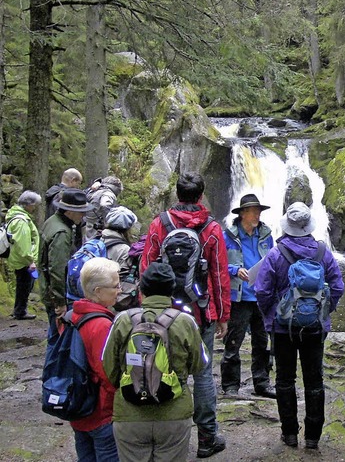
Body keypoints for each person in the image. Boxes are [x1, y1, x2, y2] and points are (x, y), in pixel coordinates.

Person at [140, 172, 230, 458]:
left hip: (163, 311)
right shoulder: (212, 228)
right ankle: (206, 437)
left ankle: (166, 436)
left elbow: (146, 265)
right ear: (201, 195)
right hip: (200, 311)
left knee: (162, 368)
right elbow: (218, 274)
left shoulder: (159, 224)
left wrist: (146, 305)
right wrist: (223, 313)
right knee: (202, 374)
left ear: (177, 195)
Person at [255, 202, 345, 450]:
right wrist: (323, 312)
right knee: (314, 381)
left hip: (283, 328)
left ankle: (290, 434)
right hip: (315, 327)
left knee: (285, 379)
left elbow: (262, 290)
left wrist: (271, 315)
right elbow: (337, 287)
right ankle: (313, 437)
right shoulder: (323, 253)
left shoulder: (276, 253)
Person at [102, 262, 209, 462]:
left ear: (141, 289)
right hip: (174, 413)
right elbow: (200, 364)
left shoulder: (122, 320)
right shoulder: (185, 322)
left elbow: (109, 366)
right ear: (172, 290)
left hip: (129, 413)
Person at [221, 194, 276, 398]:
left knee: (262, 342)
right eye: (254, 211)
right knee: (233, 342)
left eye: (259, 211)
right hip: (239, 297)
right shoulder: (228, 236)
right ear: (243, 213)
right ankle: (230, 385)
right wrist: (235, 270)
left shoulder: (266, 235)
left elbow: (273, 259)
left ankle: (262, 383)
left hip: (261, 296)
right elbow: (217, 264)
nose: (257, 215)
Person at [71, 257, 119, 462]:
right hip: (100, 412)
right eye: (115, 286)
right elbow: (106, 371)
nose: (120, 290)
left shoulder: (71, 316)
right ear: (98, 291)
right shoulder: (101, 325)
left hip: (77, 408)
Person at [39, 188, 94, 347]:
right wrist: (60, 302)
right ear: (70, 211)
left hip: (48, 289)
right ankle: (53, 371)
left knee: (54, 336)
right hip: (56, 294)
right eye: (81, 212)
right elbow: (57, 270)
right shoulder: (62, 232)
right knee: (58, 340)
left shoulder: (52, 221)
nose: (83, 215)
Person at [7, 191, 41, 320]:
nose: (35, 208)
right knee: (25, 285)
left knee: (24, 284)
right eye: (34, 205)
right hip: (23, 260)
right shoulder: (21, 221)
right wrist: (30, 261)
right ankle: (20, 311)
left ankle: (19, 309)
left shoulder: (17, 216)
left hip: (19, 258)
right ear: (29, 204)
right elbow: (23, 244)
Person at [84, 176, 123, 241]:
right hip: (96, 229)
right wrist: (109, 223)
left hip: (86, 225)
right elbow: (105, 205)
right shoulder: (109, 193)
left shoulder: (93, 190)